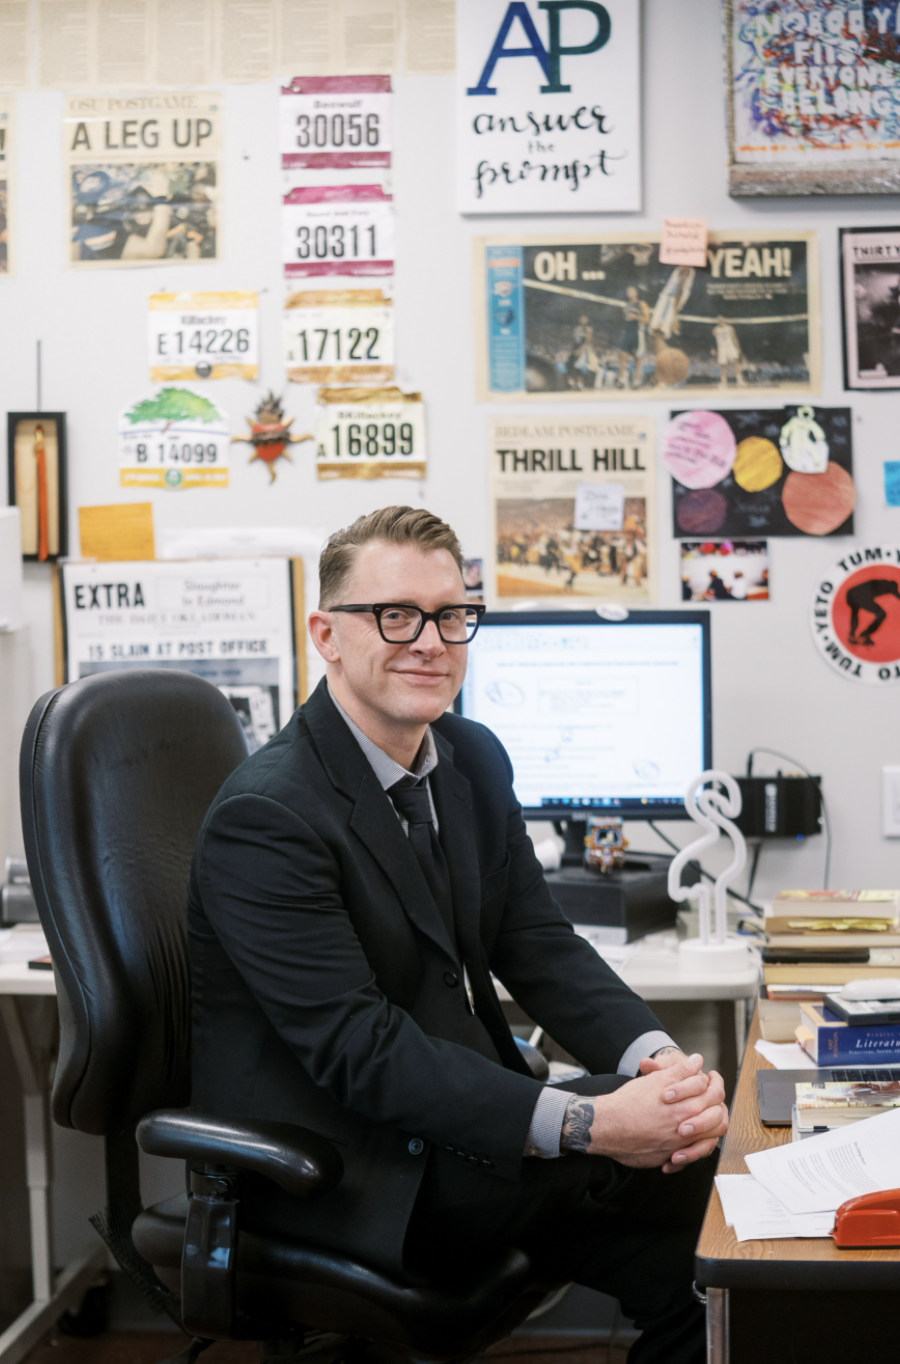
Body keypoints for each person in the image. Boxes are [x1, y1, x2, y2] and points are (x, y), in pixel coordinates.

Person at [189, 507, 727, 1364]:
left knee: (709, 1248)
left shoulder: (470, 757)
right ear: (326, 633)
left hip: (449, 1123)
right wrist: (590, 1126)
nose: (430, 641)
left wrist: (655, 1065)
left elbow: (537, 940)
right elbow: (359, 1051)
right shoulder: (268, 813)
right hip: (349, 1165)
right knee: (682, 1200)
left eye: (452, 614)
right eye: (394, 615)